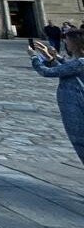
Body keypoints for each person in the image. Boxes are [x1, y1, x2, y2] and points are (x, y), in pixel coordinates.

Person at [28, 33, 84, 165]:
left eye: (68, 41)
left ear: (77, 44)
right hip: (74, 105)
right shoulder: (78, 63)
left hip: (76, 107)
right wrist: (50, 56)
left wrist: (34, 57)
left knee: (80, 142)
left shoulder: (80, 63)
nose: (66, 43)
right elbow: (66, 69)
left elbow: (46, 72)